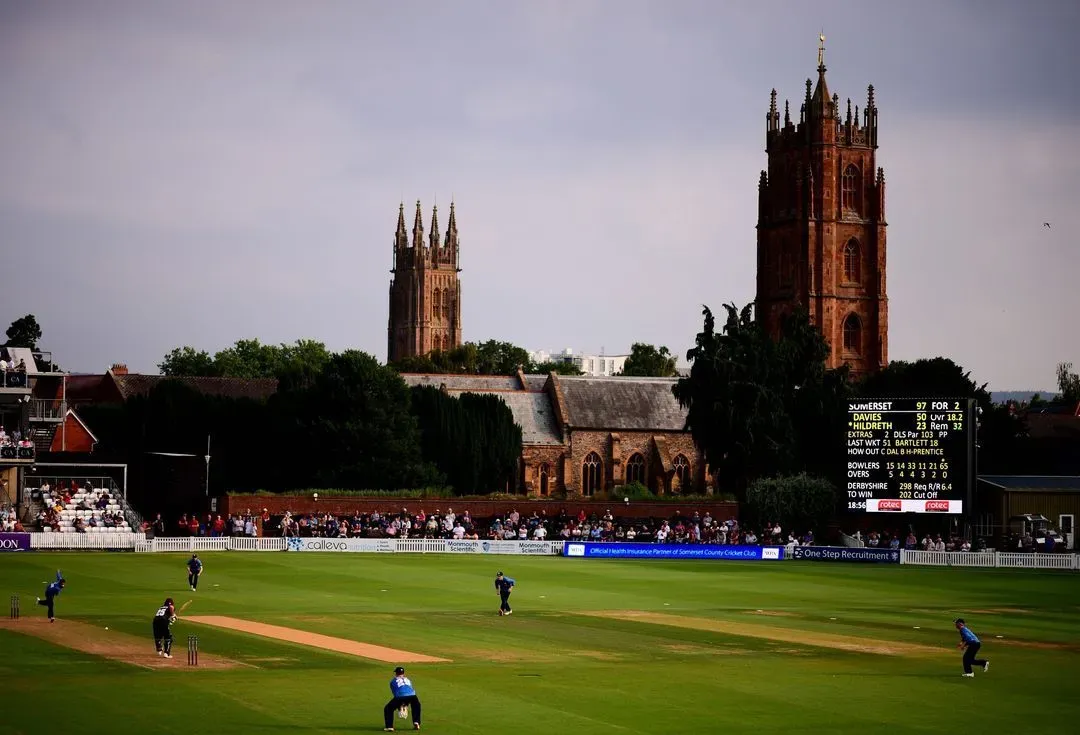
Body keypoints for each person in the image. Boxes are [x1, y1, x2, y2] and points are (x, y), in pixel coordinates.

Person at [383, 665, 421, 731]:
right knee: (416, 706)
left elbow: (396, 694)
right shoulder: (408, 680)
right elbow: (410, 690)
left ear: (396, 673)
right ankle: (416, 722)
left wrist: (400, 705)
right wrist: (405, 704)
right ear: (403, 673)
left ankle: (389, 727)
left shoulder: (393, 681)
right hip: (413, 696)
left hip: (400, 696)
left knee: (388, 708)